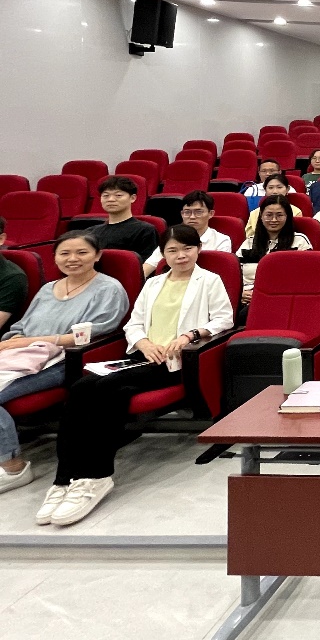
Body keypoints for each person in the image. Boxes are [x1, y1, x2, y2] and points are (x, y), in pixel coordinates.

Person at [31, 225, 233, 524]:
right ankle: (65, 479)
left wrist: (189, 336)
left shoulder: (209, 280)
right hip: (143, 356)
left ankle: (94, 477)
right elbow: (134, 324)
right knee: (84, 388)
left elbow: (224, 319)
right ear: (162, 254)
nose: (180, 255)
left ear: (198, 250)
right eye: (172, 250)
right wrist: (144, 343)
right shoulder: (153, 284)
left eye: (187, 249)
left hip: (177, 361)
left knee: (102, 389)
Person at [0, 232, 127, 497]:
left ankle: (13, 467)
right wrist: (12, 341)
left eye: (81, 252)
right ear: (55, 257)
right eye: (65, 253)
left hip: (65, 360)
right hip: (22, 353)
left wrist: (34, 341)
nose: (72, 259)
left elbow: (92, 334)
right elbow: (22, 326)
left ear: (97, 255)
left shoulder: (109, 288)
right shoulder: (48, 288)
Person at [237, 196, 313, 311]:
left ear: (287, 217)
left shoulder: (300, 241)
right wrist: (240, 293)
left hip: (282, 299)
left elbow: (306, 277)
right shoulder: (248, 243)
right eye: (268, 215)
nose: (273, 220)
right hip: (247, 300)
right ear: (261, 216)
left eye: (279, 215)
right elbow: (235, 276)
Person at [142, 190, 232, 276]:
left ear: (211, 213)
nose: (192, 217)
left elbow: (220, 273)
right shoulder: (171, 236)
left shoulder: (221, 240)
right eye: (187, 212)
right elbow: (148, 267)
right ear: (182, 214)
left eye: (198, 212)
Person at [88, 176, 159, 265]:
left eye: (118, 195)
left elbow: (148, 265)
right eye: (106, 195)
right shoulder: (90, 232)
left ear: (132, 198)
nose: (111, 199)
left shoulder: (145, 230)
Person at [243, 174, 302, 238]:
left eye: (279, 187)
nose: (275, 192)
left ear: (287, 189)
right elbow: (248, 237)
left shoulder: (296, 212)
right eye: (270, 188)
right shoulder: (254, 213)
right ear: (265, 190)